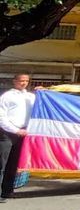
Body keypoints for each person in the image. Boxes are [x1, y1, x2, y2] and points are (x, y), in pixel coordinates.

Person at [0, 74, 35, 202]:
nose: (24, 83)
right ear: (15, 81)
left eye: (26, 81)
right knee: (2, 164)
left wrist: (44, 93)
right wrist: (15, 130)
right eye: (21, 81)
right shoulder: (7, 96)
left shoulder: (31, 97)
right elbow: (1, 117)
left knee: (13, 165)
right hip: (7, 134)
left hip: (23, 133)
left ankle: (7, 191)